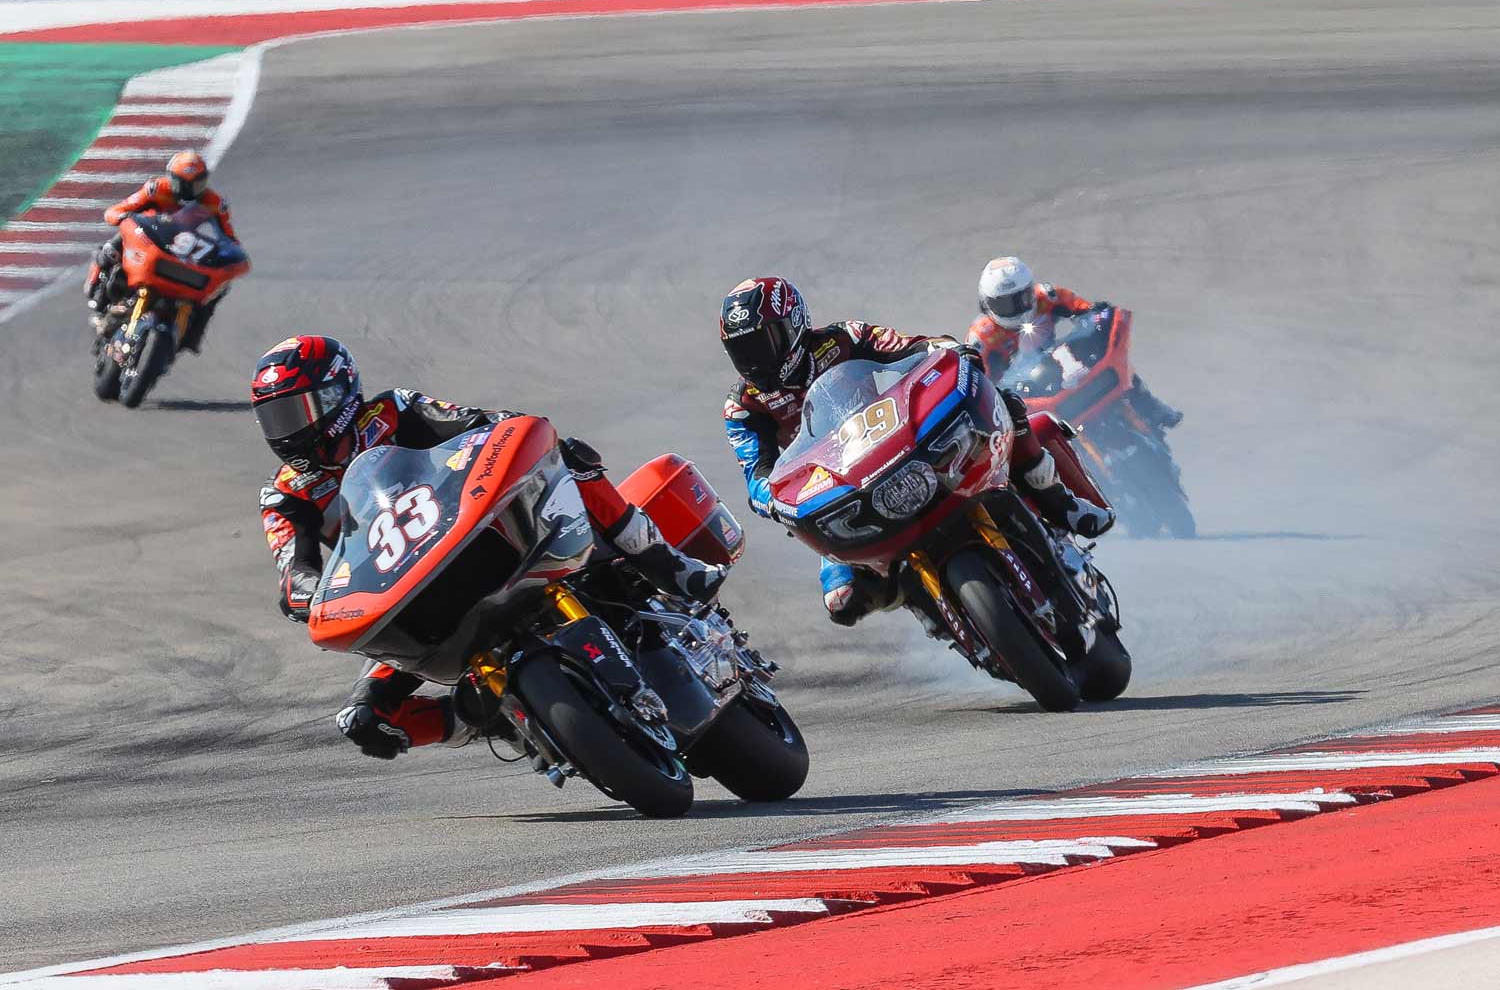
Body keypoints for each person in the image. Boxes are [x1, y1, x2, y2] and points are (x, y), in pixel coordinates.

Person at [253, 335, 727, 760]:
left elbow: (487, 427)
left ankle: (669, 564)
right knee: (364, 717)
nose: (287, 430)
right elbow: (293, 569)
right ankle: (507, 721)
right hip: (410, 596)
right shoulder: (286, 494)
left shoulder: (396, 411)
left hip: (480, 536)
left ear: (338, 395)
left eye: (296, 412)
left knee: (569, 454)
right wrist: (311, 594)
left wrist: (506, 439)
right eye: (273, 417)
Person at [719, 275, 1113, 627]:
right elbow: (757, 475)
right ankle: (930, 609)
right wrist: (772, 501)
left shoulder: (843, 338)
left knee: (1004, 402)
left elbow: (911, 346)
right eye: (743, 350)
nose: (756, 359)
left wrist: (951, 350)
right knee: (841, 601)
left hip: (896, 440)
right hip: (836, 483)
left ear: (794, 325)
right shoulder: (743, 405)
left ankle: (1059, 500)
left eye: (764, 341)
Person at [968, 256, 1182, 431]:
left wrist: (1098, 316)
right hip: (1022, 386)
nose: (1016, 308)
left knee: (1115, 360)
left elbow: (1085, 309)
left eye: (1021, 298)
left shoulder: (1047, 296)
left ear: (1030, 291)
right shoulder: (983, 336)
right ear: (987, 304)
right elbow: (982, 381)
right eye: (1004, 304)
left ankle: (1151, 407)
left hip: (1057, 360)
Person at [85, 150, 238, 354]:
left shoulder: (213, 203)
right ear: (171, 178)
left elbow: (229, 238)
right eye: (182, 184)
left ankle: (193, 333)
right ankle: (96, 290)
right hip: (145, 239)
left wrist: (229, 258)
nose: (188, 190)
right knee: (113, 246)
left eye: (195, 184)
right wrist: (123, 218)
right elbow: (119, 209)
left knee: (219, 286)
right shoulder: (155, 189)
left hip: (179, 249)